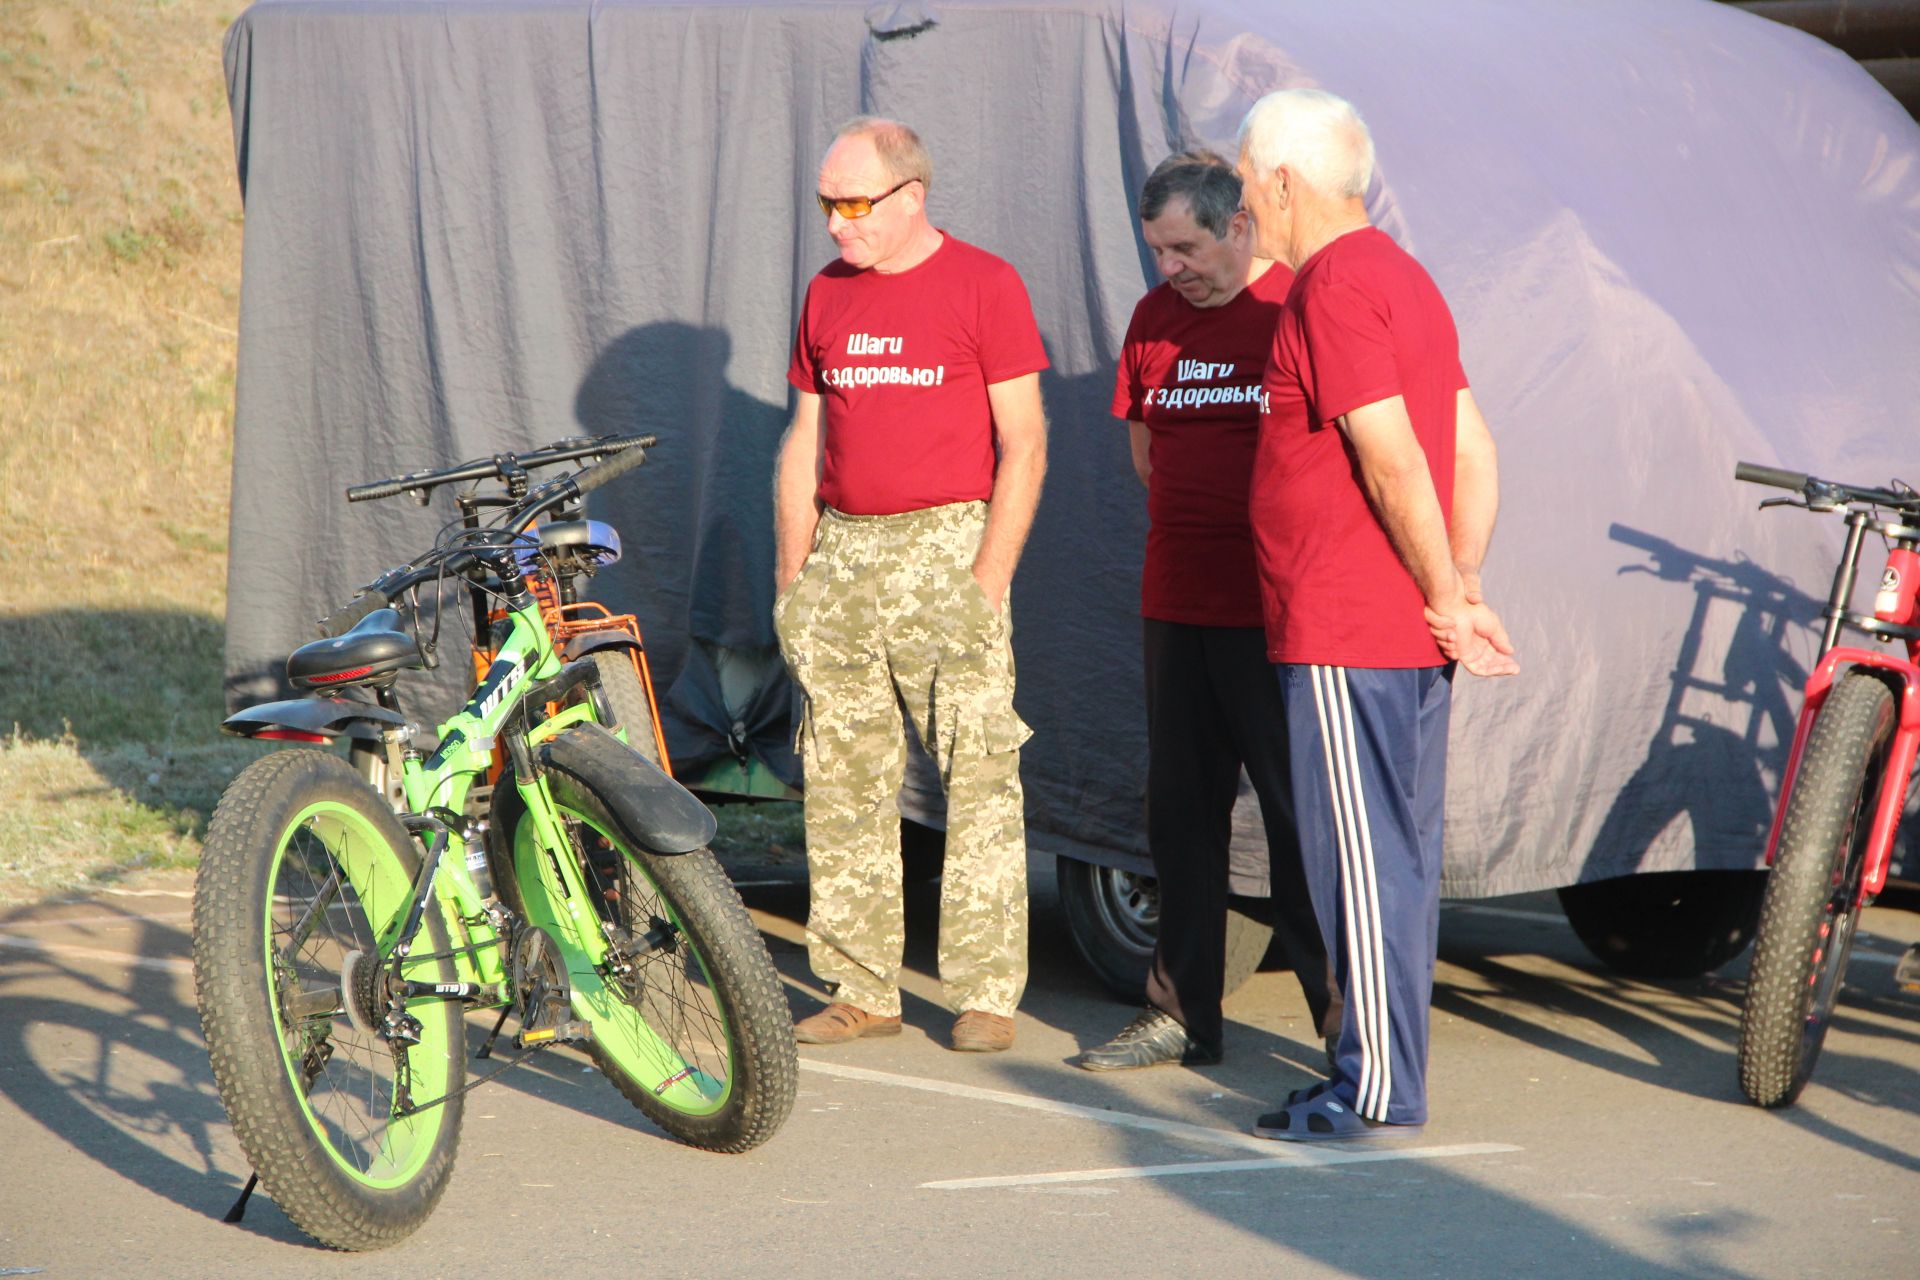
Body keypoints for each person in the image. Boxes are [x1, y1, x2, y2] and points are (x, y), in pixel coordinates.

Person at [1233, 89, 1520, 1139]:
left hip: (1349, 626)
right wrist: (1465, 583)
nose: (1242, 204)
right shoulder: (1406, 276)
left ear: (1282, 181)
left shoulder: (1335, 284)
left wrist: (1449, 593)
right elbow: (1474, 448)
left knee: (1361, 858)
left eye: (1244, 181)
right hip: (1394, 622)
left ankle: (1377, 1087)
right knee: (1389, 853)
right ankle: (1375, 1071)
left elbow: (1389, 447)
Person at [772, 117, 1049, 1053]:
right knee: (842, 779)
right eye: (827, 204)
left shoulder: (984, 284)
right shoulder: (825, 295)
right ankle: (861, 989)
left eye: (853, 204)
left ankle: (984, 993)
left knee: (977, 771)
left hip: (947, 547)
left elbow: (1025, 443)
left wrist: (988, 578)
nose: (837, 223)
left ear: (911, 195)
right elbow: (804, 438)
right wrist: (793, 580)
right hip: (843, 553)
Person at [1076, 150, 1340, 1072]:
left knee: (1301, 814)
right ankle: (1183, 1011)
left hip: (1279, 612)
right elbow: (1149, 452)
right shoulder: (1154, 321)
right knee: (1180, 816)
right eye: (1156, 250)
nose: (1169, 268)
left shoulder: (1294, 310)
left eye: (1184, 246)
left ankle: (1343, 1024)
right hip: (1178, 600)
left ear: (1239, 226)